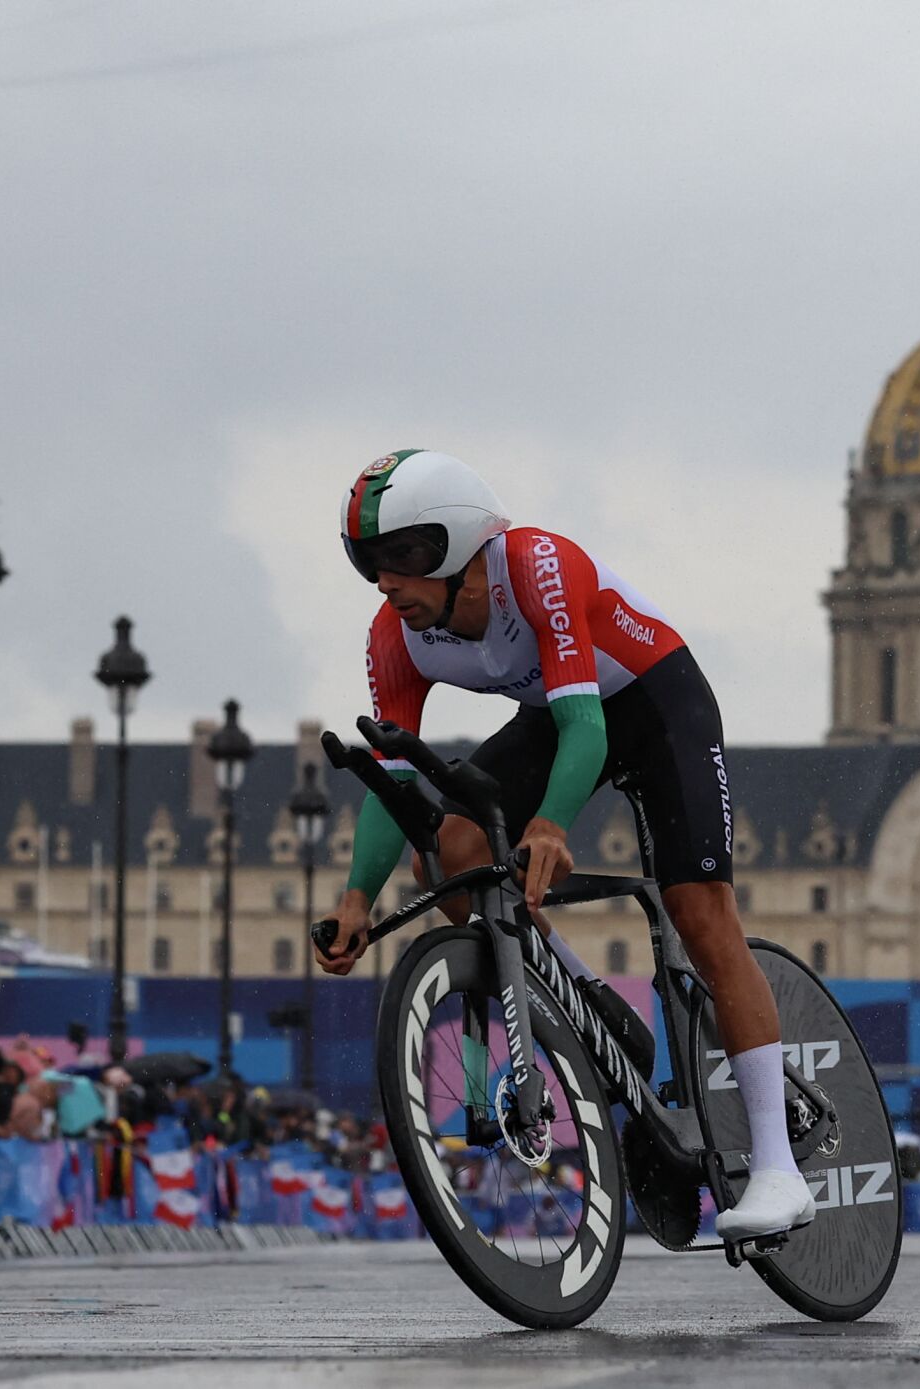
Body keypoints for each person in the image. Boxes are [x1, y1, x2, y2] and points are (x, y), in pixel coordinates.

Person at [317, 449, 814, 1240]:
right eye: (368, 561)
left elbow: (589, 724)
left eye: (404, 556)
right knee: (450, 850)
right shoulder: (395, 635)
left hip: (651, 703)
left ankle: (780, 1170)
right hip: (561, 715)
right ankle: (590, 1005)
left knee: (700, 912)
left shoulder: (537, 565)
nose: (386, 581)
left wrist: (551, 821)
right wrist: (353, 895)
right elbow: (392, 779)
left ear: (459, 544)